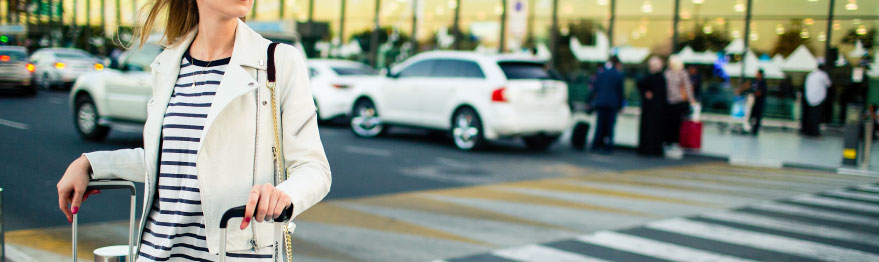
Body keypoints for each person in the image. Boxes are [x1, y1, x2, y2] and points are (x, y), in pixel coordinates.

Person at [55, 0, 332, 260]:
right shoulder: (168, 63)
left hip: (233, 252)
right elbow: (173, 161)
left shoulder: (278, 62)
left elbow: (314, 168)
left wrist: (284, 194)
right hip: (157, 251)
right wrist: (92, 164)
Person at [590, 55, 625, 153]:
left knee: (600, 124)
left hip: (601, 102)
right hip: (612, 103)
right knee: (610, 125)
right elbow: (620, 91)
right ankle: (608, 146)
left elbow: (595, 88)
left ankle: (596, 144)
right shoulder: (618, 74)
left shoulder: (601, 73)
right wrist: (621, 105)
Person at [663, 57, 695, 153]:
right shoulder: (667, 72)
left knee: (676, 124)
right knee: (668, 124)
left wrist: (691, 100)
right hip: (667, 102)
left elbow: (687, 87)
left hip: (678, 102)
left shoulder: (682, 73)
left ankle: (674, 143)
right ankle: (667, 142)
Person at [637, 57, 667, 156]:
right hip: (658, 109)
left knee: (649, 129)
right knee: (656, 130)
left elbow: (640, 84)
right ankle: (654, 149)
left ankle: (647, 149)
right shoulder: (661, 78)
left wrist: (645, 92)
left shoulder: (649, 77)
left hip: (649, 109)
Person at [804, 64, 832, 137]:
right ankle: (815, 133)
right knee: (817, 116)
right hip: (819, 99)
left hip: (809, 98)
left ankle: (808, 132)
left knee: (810, 116)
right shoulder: (823, 75)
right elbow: (829, 84)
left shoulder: (811, 75)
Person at [742, 69, 768, 136]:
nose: (756, 75)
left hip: (759, 103)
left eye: (757, 74)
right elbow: (748, 86)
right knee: (750, 116)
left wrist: (755, 94)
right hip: (753, 102)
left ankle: (755, 130)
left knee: (757, 117)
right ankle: (749, 128)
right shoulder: (754, 81)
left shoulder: (762, 82)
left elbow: (761, 92)